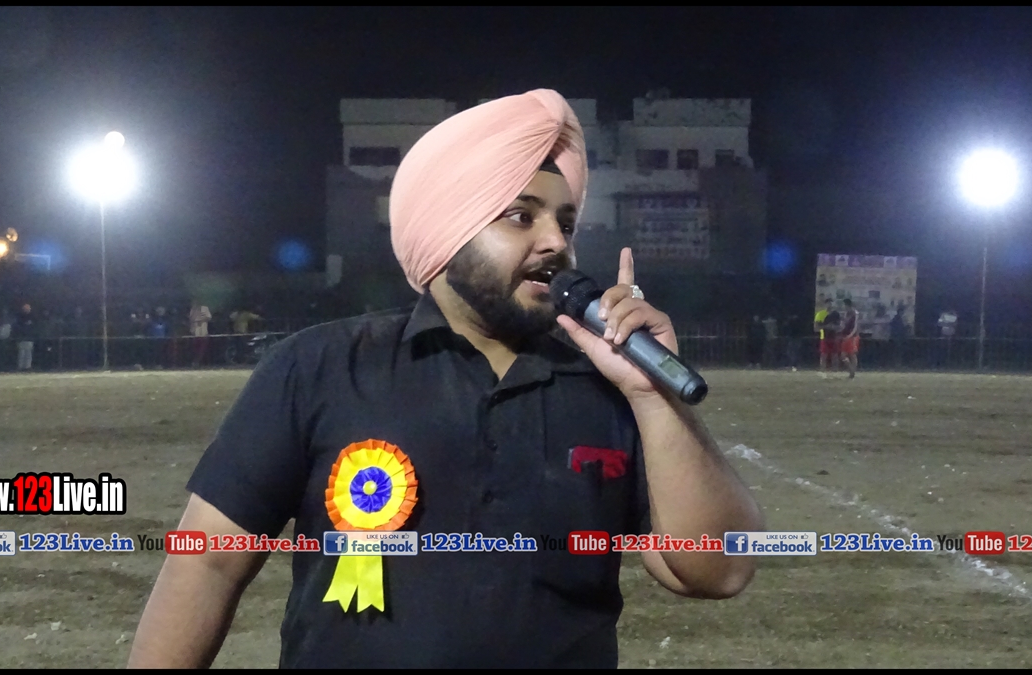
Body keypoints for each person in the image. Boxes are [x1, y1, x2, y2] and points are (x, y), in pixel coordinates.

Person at [129, 89, 763, 669]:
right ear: (450, 225)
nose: (557, 243)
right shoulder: (319, 367)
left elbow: (719, 570)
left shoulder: (609, 389)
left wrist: (653, 398)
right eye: (521, 216)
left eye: (566, 223)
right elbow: (206, 564)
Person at [813, 298, 839, 375]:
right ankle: (822, 370)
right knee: (824, 354)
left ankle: (835, 371)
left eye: (831, 303)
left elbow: (839, 326)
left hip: (834, 337)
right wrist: (826, 326)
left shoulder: (836, 314)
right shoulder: (820, 314)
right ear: (825, 304)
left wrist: (834, 327)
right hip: (824, 337)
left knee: (835, 354)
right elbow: (816, 327)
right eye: (828, 303)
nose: (830, 305)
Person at [838, 298, 860, 379]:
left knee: (852, 354)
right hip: (846, 335)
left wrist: (850, 335)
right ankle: (851, 371)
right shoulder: (846, 313)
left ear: (847, 305)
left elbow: (855, 326)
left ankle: (852, 372)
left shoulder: (855, 313)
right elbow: (844, 325)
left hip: (852, 336)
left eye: (844, 305)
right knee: (843, 355)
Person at [188, 301, 211, 367]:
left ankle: (200, 362)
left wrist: (202, 319)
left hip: (203, 332)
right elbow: (191, 319)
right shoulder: (193, 310)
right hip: (195, 332)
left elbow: (209, 317)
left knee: (203, 348)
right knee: (195, 348)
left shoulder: (205, 308)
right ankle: (195, 362)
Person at [15, 304, 36, 371]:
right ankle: (20, 366)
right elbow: (18, 327)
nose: (27, 310)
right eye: (26, 308)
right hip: (21, 338)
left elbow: (33, 327)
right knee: (21, 353)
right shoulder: (19, 317)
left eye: (28, 308)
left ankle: (28, 367)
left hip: (29, 338)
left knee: (28, 353)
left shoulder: (32, 317)